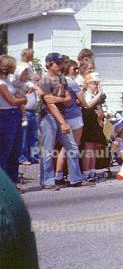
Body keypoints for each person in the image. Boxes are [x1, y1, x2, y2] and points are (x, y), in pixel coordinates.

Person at [38, 53, 90, 189]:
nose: (61, 66)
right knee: (48, 149)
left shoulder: (61, 80)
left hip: (62, 116)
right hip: (49, 117)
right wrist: (63, 123)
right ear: (50, 64)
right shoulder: (44, 81)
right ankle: (47, 181)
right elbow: (50, 104)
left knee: (72, 146)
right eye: (58, 63)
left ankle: (75, 178)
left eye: (61, 63)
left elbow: (68, 99)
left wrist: (58, 99)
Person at [54, 58, 87, 185]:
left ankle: (59, 175)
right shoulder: (72, 82)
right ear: (68, 69)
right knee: (74, 147)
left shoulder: (59, 81)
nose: (76, 71)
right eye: (74, 68)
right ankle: (75, 177)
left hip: (63, 117)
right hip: (74, 116)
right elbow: (84, 103)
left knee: (65, 147)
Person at [0, 55, 28, 192]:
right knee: (5, 151)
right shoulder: (1, 83)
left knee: (15, 150)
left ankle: (12, 183)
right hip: (5, 115)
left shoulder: (8, 81)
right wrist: (24, 100)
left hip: (14, 115)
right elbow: (11, 101)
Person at [80, 73, 107, 182]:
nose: (96, 86)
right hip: (89, 123)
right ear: (88, 84)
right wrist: (99, 94)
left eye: (97, 84)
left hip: (96, 123)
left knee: (94, 148)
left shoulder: (95, 95)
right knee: (88, 148)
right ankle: (86, 172)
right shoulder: (87, 94)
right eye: (94, 84)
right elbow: (88, 105)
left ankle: (92, 170)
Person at [16, 65, 40, 165]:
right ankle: (22, 157)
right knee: (24, 136)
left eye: (27, 73)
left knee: (34, 136)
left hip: (32, 112)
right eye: (23, 73)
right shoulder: (18, 84)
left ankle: (34, 156)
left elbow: (34, 85)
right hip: (23, 112)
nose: (26, 75)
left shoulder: (29, 83)